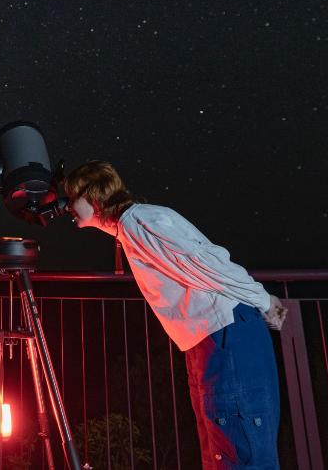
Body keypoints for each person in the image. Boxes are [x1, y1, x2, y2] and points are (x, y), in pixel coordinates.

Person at [64, 160, 287, 470]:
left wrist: (264, 301)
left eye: (70, 196)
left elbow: (209, 263)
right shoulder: (132, 227)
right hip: (211, 340)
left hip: (226, 335)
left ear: (93, 194)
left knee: (242, 454)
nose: (66, 206)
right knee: (224, 454)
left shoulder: (139, 222)